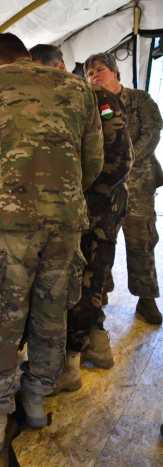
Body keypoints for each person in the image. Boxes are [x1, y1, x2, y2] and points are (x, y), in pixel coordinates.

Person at [0, 33, 104, 453]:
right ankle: (37, 401)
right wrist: (65, 191)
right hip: (67, 219)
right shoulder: (79, 86)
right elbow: (93, 158)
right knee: (52, 311)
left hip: (14, 220)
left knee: (5, 317)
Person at [30, 44, 133, 392]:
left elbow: (120, 159)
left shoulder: (97, 98)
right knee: (83, 280)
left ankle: (70, 366)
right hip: (71, 208)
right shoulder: (50, 104)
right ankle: (97, 346)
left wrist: (81, 191)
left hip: (99, 207)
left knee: (88, 280)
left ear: (60, 67)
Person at [85, 52, 163, 325]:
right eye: (90, 73)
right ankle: (100, 292)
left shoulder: (140, 99)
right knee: (102, 238)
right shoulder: (90, 104)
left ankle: (146, 298)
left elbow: (153, 132)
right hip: (105, 186)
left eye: (100, 70)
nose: (94, 76)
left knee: (141, 240)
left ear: (115, 72)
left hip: (139, 185)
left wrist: (126, 160)